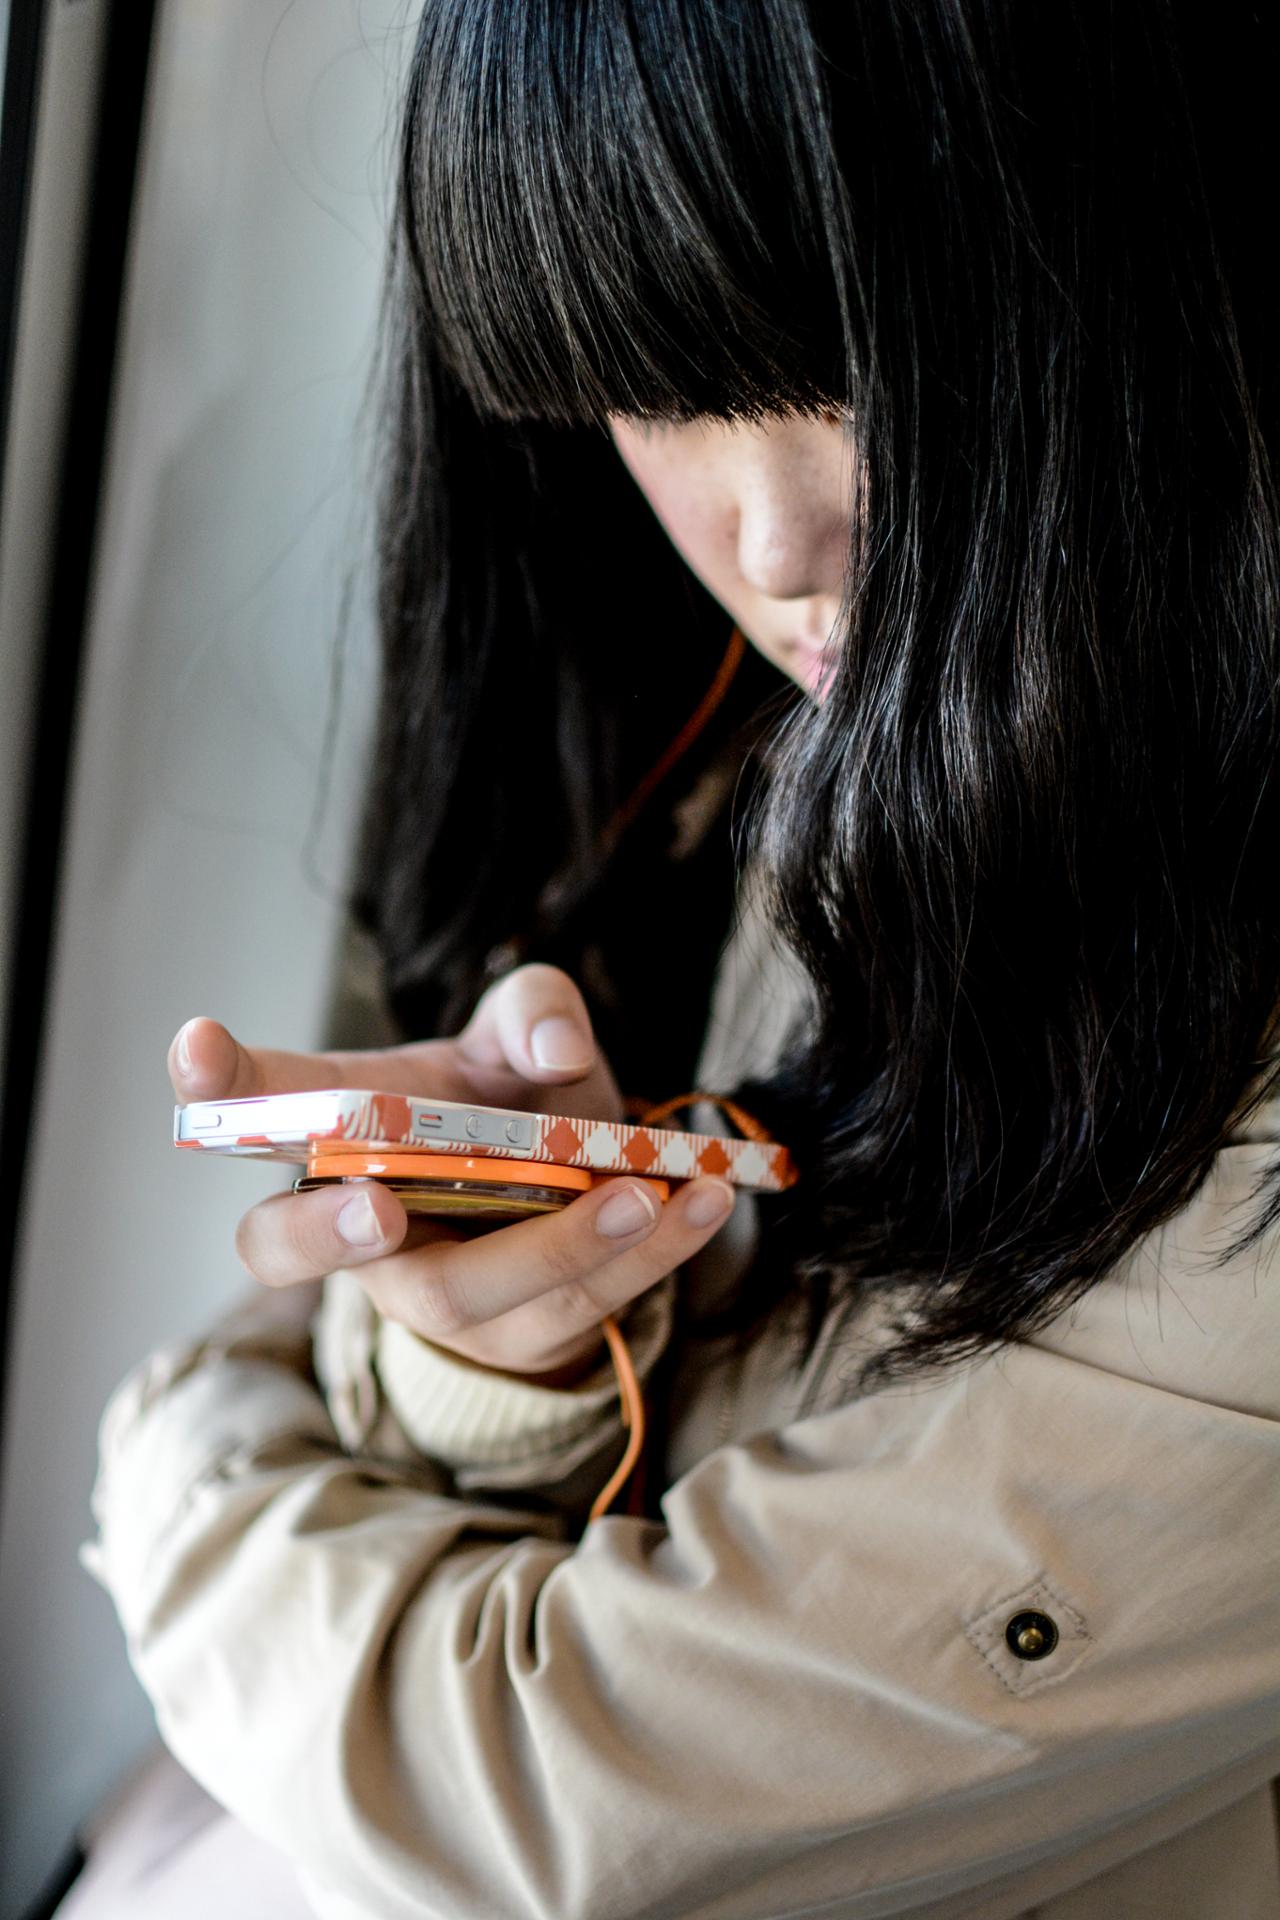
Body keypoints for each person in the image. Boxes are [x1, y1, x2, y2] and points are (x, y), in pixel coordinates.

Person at [69, 1, 1280, 1915]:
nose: (775, 536)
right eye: (658, 389)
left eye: (858, 363)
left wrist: (182, 1467)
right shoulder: (771, 797)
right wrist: (503, 1368)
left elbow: (558, 1794)